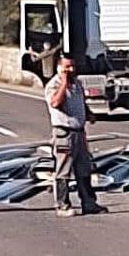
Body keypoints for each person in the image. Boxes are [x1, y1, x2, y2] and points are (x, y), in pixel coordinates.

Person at [45, 54, 107, 217]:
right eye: (67, 67)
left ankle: (89, 203)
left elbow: (81, 102)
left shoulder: (77, 84)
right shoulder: (54, 85)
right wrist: (64, 82)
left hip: (79, 132)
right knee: (64, 170)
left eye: (72, 66)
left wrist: (88, 114)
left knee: (84, 169)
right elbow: (55, 103)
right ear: (59, 67)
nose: (71, 70)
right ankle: (62, 205)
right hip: (64, 133)